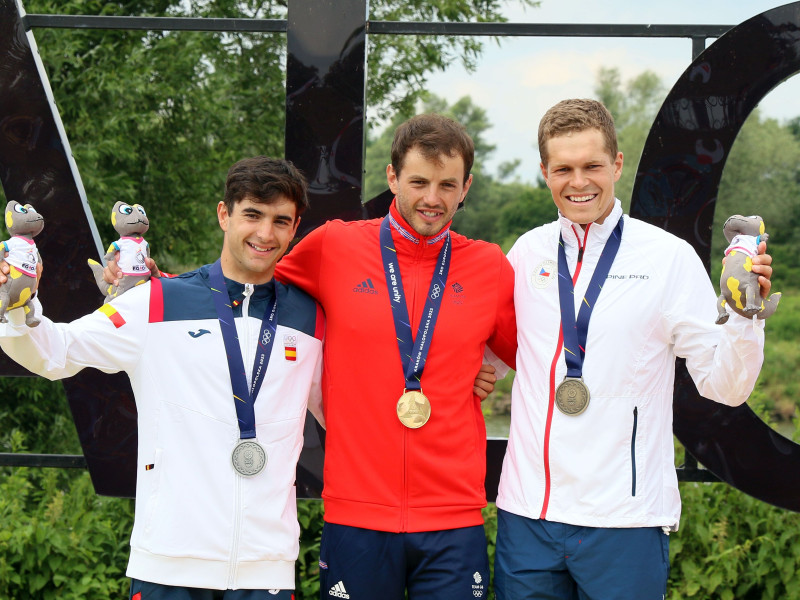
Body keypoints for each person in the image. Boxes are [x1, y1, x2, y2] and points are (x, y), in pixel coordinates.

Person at [0, 157, 324, 599]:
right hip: (168, 561)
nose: (266, 234)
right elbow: (56, 353)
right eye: (252, 214)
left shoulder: (309, 318)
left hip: (266, 567)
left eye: (280, 221)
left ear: (295, 226)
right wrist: (17, 311)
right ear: (224, 214)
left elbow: (344, 415)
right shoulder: (155, 301)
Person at [493, 98, 772, 600]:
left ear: (616, 164)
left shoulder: (667, 258)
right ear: (545, 172)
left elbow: (725, 387)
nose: (579, 182)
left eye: (592, 166)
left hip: (624, 519)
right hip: (528, 516)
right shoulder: (525, 253)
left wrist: (744, 317)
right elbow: (486, 351)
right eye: (564, 169)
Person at [272, 113, 517, 600]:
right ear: (391, 177)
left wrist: (482, 369)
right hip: (356, 510)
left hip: (453, 514)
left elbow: (538, 353)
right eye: (419, 182)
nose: (433, 198)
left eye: (447, 184)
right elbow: (249, 287)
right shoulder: (334, 246)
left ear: (465, 187)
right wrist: (155, 287)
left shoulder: (489, 265)